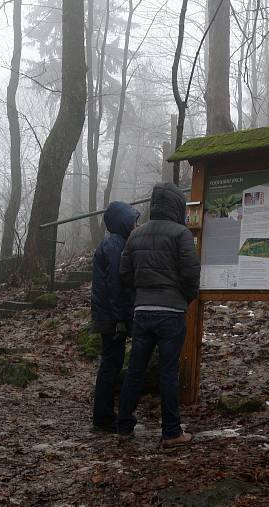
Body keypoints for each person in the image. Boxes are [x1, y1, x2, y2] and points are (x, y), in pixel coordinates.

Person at [117, 183, 200, 447]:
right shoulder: (181, 234)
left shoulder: (136, 235)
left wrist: (140, 295)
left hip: (142, 312)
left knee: (135, 370)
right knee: (167, 371)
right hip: (171, 312)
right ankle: (172, 432)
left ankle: (124, 425)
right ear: (177, 206)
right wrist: (184, 298)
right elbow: (190, 273)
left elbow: (125, 273)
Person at [91, 201, 140, 433]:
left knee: (111, 364)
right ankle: (103, 417)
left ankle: (104, 414)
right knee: (111, 365)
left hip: (108, 314)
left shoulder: (114, 243)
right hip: (112, 317)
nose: (135, 224)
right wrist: (121, 319)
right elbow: (116, 285)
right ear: (122, 222)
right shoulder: (115, 245)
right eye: (132, 220)